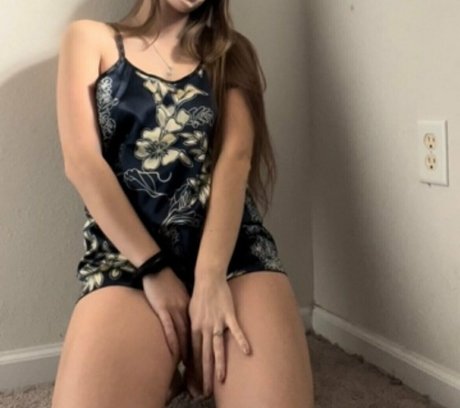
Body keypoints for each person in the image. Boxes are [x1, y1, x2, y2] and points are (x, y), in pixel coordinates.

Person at [52, 0, 314, 406]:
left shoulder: (230, 51)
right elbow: (83, 164)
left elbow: (235, 160)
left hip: (230, 255)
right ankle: (161, 365)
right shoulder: (90, 39)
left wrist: (209, 280)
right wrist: (154, 269)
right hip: (128, 260)